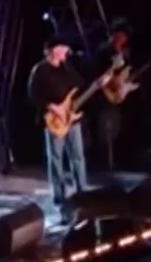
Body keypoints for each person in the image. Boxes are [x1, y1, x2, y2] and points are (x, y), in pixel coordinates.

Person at [28, 36, 105, 205]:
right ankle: (59, 196)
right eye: (63, 48)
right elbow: (33, 94)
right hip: (54, 120)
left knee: (78, 156)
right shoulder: (40, 70)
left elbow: (79, 87)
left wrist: (97, 85)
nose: (66, 51)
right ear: (54, 49)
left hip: (72, 119)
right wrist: (52, 107)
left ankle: (82, 191)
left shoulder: (67, 68)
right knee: (56, 158)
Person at [96, 19, 134, 171]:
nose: (123, 39)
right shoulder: (103, 50)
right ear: (115, 34)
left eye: (125, 37)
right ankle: (105, 162)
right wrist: (112, 80)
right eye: (121, 35)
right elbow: (98, 73)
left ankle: (122, 158)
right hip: (105, 95)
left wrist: (126, 84)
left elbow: (126, 71)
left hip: (119, 94)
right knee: (106, 128)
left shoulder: (124, 52)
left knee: (120, 126)